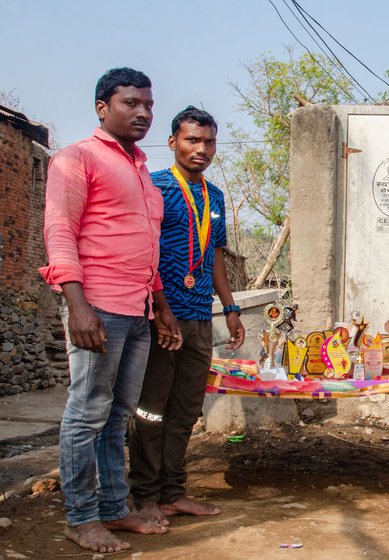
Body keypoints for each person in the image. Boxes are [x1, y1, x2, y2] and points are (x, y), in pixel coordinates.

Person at [40, 67, 182, 554]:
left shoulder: (142, 168)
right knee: (87, 415)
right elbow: (59, 232)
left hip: (138, 310)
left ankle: (114, 509)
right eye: (130, 103)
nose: (142, 112)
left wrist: (160, 307)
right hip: (97, 308)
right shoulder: (74, 158)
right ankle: (81, 518)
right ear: (102, 107)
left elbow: (147, 251)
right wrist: (77, 306)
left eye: (148, 104)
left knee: (118, 416)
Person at [128, 106, 245, 526]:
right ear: (173, 141)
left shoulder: (214, 196)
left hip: (200, 316)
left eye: (209, 142)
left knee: (186, 409)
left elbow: (214, 253)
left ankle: (173, 492)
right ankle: (144, 496)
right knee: (150, 409)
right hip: (163, 316)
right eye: (192, 140)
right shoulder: (154, 186)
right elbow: (145, 251)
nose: (201, 149)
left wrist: (229, 308)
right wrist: (160, 311)